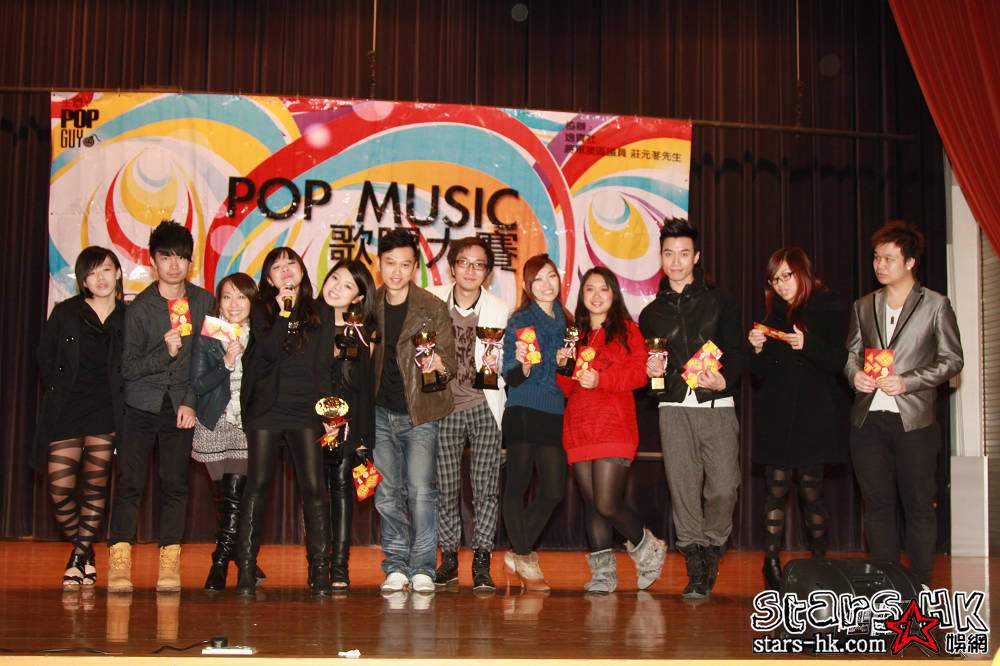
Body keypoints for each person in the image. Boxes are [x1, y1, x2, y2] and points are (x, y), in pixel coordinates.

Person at [845, 221, 963, 586]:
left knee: (918, 506)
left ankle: (920, 583)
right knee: (876, 506)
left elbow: (952, 360)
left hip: (915, 423)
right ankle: (886, 582)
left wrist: (907, 381)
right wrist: (855, 376)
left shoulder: (935, 304)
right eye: (876, 257)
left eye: (888, 258)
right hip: (868, 420)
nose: (879, 265)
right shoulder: (864, 305)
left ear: (910, 262)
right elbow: (851, 355)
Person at [638, 218, 747, 600]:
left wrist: (724, 379)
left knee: (724, 487)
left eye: (684, 254)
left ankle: (714, 545)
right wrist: (652, 376)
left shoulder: (721, 301)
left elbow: (738, 351)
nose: (676, 261)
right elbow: (652, 381)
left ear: (696, 257)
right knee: (683, 490)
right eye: (669, 254)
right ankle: (695, 562)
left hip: (716, 404)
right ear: (660, 257)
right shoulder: (650, 314)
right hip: (673, 408)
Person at [107, 221, 214, 593]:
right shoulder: (139, 308)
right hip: (140, 405)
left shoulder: (203, 302)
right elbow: (128, 368)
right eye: (166, 257)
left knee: (175, 485)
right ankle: (119, 561)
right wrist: (164, 353)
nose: (174, 264)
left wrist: (191, 402)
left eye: (181, 257)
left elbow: (208, 358)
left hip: (180, 408)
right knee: (130, 484)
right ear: (152, 262)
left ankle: (170, 562)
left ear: (190, 262)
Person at [235, 247, 337, 596]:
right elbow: (267, 352)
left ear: (302, 271)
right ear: (268, 278)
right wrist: (282, 313)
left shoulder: (321, 311)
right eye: (277, 267)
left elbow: (323, 368)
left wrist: (329, 414)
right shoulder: (261, 309)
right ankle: (245, 570)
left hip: (305, 409)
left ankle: (320, 572)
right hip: (267, 408)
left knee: (314, 487)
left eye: (291, 263)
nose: (285, 270)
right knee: (258, 485)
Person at [557, 267, 666, 593]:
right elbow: (565, 388)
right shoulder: (574, 335)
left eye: (603, 289)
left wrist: (601, 380)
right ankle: (603, 574)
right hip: (579, 428)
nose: (596, 295)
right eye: (589, 289)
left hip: (614, 427)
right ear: (582, 295)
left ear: (613, 294)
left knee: (607, 503)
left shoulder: (628, 331)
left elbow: (639, 374)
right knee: (592, 505)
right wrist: (563, 365)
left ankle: (647, 547)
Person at [747, 248, 849, 590]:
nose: (781, 285)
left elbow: (839, 361)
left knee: (810, 492)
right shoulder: (771, 316)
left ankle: (819, 561)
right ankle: (770, 562)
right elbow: (760, 374)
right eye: (775, 279)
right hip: (777, 415)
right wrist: (757, 349)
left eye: (786, 276)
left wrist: (807, 344)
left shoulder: (829, 306)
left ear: (803, 272)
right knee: (775, 490)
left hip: (813, 416)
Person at [34, 247, 125, 587]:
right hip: (68, 408)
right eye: (91, 273)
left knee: (94, 486)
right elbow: (45, 357)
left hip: (107, 411)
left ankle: (78, 556)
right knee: (59, 489)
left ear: (118, 273)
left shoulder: (129, 317)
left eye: (106, 270)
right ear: (83, 280)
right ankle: (84, 548)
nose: (100, 278)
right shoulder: (66, 312)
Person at [372, 229, 456, 594]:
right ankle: (395, 565)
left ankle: (422, 566)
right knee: (387, 492)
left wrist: (439, 364)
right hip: (377, 413)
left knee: (421, 491)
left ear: (414, 267)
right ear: (379, 263)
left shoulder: (431, 306)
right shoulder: (368, 304)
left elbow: (450, 361)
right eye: (390, 263)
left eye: (405, 264)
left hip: (420, 413)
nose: (396, 272)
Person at [428, 237, 509, 592]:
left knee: (486, 490)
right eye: (464, 263)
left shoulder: (499, 309)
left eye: (479, 265)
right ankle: (448, 559)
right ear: (452, 268)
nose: (471, 270)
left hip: (484, 406)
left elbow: (506, 359)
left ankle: (482, 561)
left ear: (487, 273)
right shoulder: (432, 301)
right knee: (446, 488)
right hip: (445, 407)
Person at [190, 272, 268, 591]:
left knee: (235, 496)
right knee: (225, 501)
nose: (234, 304)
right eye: (227, 296)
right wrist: (225, 361)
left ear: (252, 301)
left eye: (241, 297)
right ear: (218, 302)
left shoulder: (261, 335)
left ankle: (219, 563)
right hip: (214, 422)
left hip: (245, 426)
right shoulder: (209, 333)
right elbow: (198, 384)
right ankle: (243, 557)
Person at [501, 253, 571, 591]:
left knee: (554, 490)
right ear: (528, 286)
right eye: (538, 279)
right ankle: (526, 558)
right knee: (517, 485)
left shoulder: (568, 321)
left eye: (551, 277)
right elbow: (509, 374)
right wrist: (523, 367)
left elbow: (571, 373)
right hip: (523, 408)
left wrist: (566, 364)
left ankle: (518, 549)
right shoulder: (520, 320)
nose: (546, 284)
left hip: (555, 409)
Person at [318, 259, 377, 590]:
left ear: (358, 298)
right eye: (334, 278)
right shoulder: (307, 322)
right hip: (308, 420)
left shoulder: (363, 333)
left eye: (347, 285)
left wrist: (362, 435)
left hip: (344, 423)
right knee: (314, 491)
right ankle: (318, 563)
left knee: (341, 486)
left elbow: (362, 388)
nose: (336, 287)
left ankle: (339, 565)